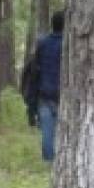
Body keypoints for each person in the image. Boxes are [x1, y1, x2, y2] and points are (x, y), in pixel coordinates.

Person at [32, 11, 64, 162]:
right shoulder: (69, 44)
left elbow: (35, 68)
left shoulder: (43, 43)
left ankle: (49, 161)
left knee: (47, 130)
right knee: (62, 130)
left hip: (44, 92)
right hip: (63, 94)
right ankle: (61, 160)